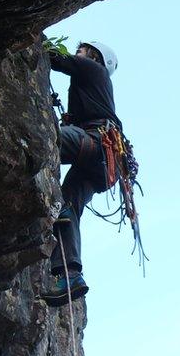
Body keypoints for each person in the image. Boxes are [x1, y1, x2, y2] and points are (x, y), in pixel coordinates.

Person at [41, 41, 122, 306]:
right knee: (68, 210)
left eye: (82, 50)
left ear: (94, 56)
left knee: (43, 135)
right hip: (102, 166)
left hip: (94, 142)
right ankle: (71, 274)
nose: (78, 53)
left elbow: (54, 56)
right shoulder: (93, 88)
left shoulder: (92, 69)